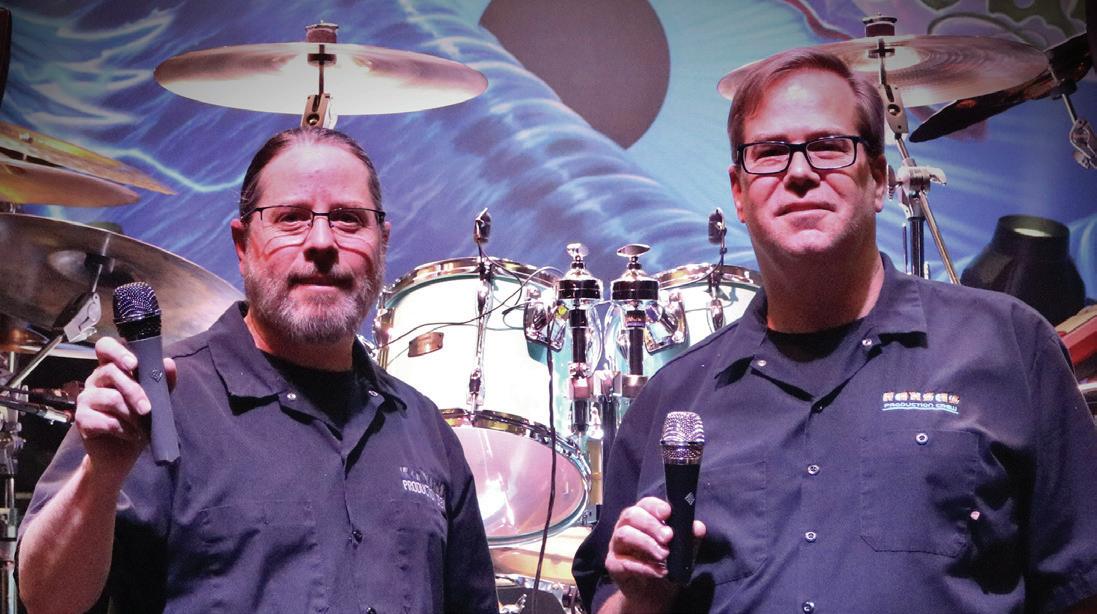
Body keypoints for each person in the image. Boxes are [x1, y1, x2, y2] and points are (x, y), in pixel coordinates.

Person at [572, 48, 1097, 613]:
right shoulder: (673, 398)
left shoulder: (1008, 345)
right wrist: (641, 599)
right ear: (739, 193)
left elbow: (1080, 589)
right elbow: (612, 603)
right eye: (770, 152)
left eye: (827, 145)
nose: (799, 172)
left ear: (879, 179)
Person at [16, 127, 499, 613]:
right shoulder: (155, 401)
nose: (322, 242)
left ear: (382, 242)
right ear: (242, 244)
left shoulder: (425, 431)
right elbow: (48, 601)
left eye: (349, 219)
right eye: (291, 218)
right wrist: (99, 476)